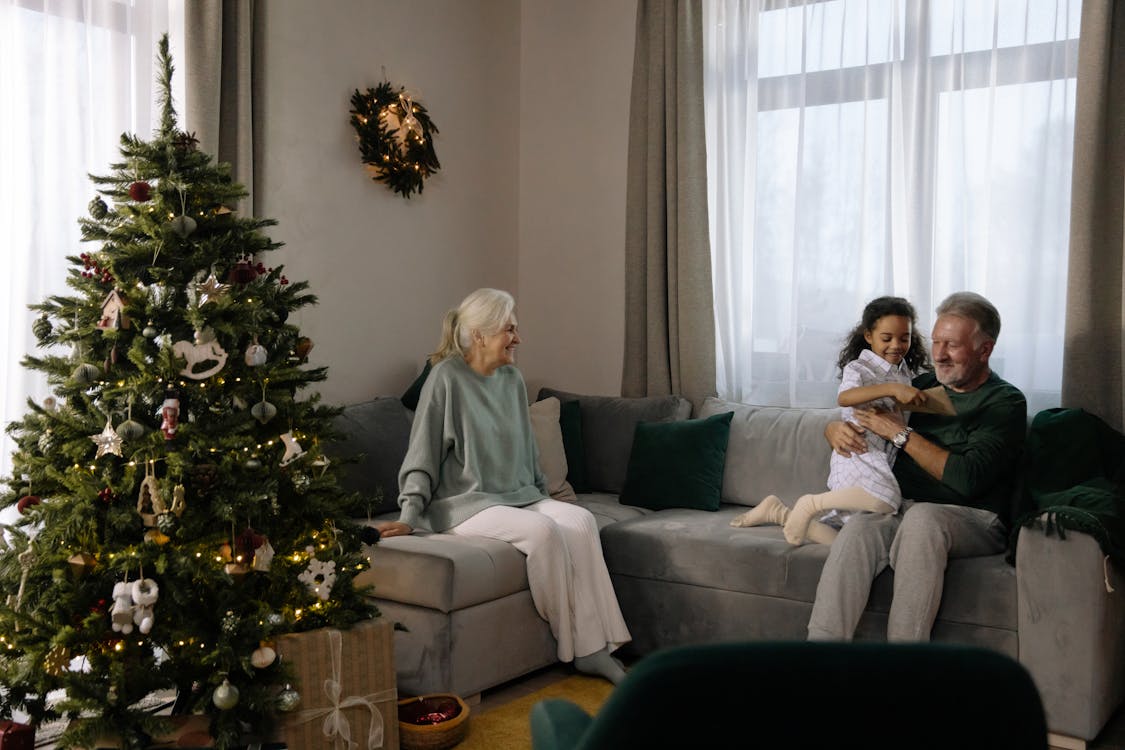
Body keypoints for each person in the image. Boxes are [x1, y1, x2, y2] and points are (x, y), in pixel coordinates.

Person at [373, 288, 632, 683]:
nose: (518, 338)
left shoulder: (511, 379)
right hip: (463, 504)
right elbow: (421, 454)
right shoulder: (445, 379)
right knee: (544, 532)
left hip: (517, 496)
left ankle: (605, 643)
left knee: (580, 521)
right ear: (480, 335)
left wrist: (544, 493)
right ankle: (584, 648)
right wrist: (410, 514)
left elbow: (528, 449)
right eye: (510, 329)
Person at [807, 291, 1026, 641]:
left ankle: (905, 668)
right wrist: (832, 429)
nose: (938, 354)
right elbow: (858, 410)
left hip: (973, 516)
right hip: (903, 508)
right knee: (860, 529)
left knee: (923, 520)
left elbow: (966, 479)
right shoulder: (918, 386)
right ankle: (819, 659)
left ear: (985, 350)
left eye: (952, 345)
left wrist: (900, 433)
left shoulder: (1005, 401)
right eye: (936, 341)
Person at [729, 296, 931, 545]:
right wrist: (890, 389)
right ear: (869, 336)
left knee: (847, 541)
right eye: (887, 338)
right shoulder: (860, 368)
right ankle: (811, 503)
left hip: (882, 457)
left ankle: (778, 513)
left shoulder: (905, 375)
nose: (896, 345)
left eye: (905, 338)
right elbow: (845, 397)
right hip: (858, 450)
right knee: (888, 500)